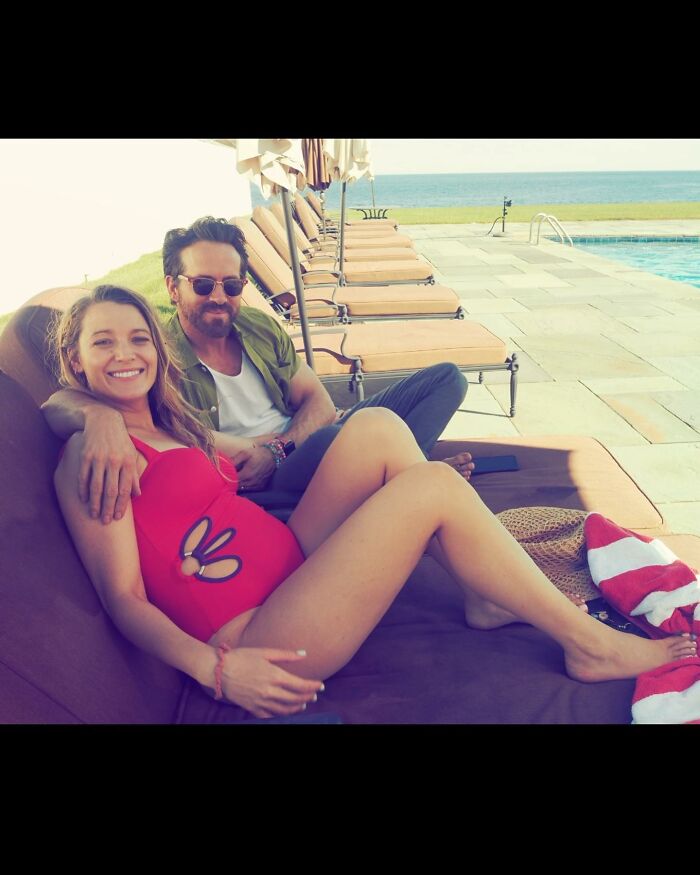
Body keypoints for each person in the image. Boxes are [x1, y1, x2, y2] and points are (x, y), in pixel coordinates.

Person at [51, 284, 697, 718]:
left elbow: (231, 451)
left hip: (291, 564)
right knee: (433, 486)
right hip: (261, 630)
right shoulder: (94, 456)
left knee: (377, 428)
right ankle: (588, 644)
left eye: (137, 338)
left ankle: (478, 592)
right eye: (102, 342)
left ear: (155, 349)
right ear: (75, 361)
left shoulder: (165, 424)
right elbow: (123, 597)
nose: (125, 354)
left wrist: (93, 411)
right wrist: (217, 671)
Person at [42, 217, 474, 526]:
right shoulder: (156, 355)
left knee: (446, 380)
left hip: (293, 447)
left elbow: (318, 400)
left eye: (231, 285)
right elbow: (62, 402)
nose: (219, 297)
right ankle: (410, 478)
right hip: (264, 480)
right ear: (173, 287)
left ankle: (401, 476)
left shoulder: (257, 326)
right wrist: (99, 417)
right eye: (202, 284)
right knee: (351, 434)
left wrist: (279, 447)